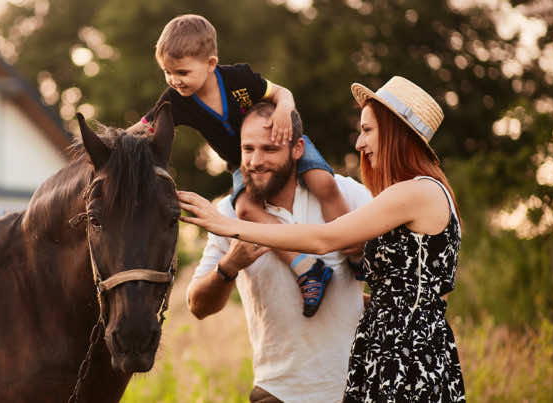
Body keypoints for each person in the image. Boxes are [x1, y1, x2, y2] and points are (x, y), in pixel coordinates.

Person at [179, 76, 466, 401]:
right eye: (248, 149)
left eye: (368, 130)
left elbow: (324, 239)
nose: (359, 143)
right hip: (372, 357)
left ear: (395, 132)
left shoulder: (412, 192)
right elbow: (411, 287)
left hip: (402, 357)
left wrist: (226, 225)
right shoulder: (408, 194)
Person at [186, 101, 373, 402]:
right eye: (248, 149)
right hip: (278, 392)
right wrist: (229, 267)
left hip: (357, 388)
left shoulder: (346, 194)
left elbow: (400, 275)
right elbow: (197, 305)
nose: (255, 161)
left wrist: (364, 261)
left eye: (269, 150)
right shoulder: (227, 214)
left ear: (298, 149)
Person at [128, 14, 349, 239]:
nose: (175, 80)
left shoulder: (239, 79)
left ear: (210, 64)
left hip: (281, 143)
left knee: (323, 182)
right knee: (245, 209)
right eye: (168, 72)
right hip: (241, 164)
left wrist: (284, 107)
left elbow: (281, 93)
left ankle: (353, 246)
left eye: (182, 72)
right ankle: (304, 264)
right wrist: (109, 142)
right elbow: (144, 126)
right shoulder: (175, 101)